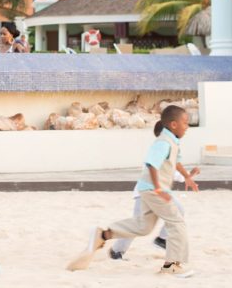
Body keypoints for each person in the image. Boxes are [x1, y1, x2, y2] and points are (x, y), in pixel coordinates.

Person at [67, 104, 199, 277]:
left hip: (149, 189)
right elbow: (151, 164)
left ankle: (104, 234)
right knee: (176, 221)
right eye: (185, 123)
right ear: (174, 124)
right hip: (153, 190)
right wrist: (158, 188)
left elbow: (177, 162)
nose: (187, 126)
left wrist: (187, 176)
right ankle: (172, 266)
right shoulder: (163, 142)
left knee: (143, 227)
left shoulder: (173, 142)